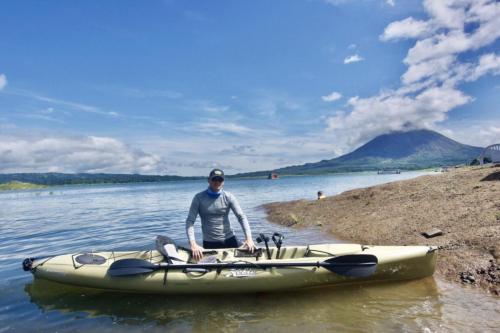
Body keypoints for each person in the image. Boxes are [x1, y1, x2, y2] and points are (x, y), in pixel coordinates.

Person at [186, 168, 256, 260]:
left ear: (223, 181)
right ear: (208, 180)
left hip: (230, 239)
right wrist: (193, 244)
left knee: (252, 252)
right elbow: (190, 221)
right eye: (214, 179)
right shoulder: (199, 198)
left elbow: (241, 217)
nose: (217, 182)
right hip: (210, 243)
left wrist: (249, 239)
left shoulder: (229, 197)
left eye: (220, 179)